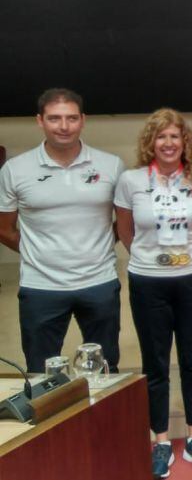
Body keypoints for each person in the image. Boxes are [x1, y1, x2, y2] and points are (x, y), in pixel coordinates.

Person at [114, 108, 192, 477]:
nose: (169, 143)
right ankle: (160, 441)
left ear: (184, 141)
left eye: (175, 136)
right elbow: (125, 230)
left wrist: (181, 260)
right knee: (155, 364)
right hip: (148, 281)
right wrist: (151, 261)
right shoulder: (130, 180)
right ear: (151, 142)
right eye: (161, 137)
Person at [0, 88, 124, 374]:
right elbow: (4, 228)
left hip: (99, 282)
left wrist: (100, 246)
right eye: (54, 118)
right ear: (40, 121)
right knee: (41, 373)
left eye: (71, 118)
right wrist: (39, 252)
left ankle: (104, 421)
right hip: (40, 286)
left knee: (106, 370)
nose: (64, 126)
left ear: (83, 120)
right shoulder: (15, 169)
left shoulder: (111, 165)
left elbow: (125, 221)